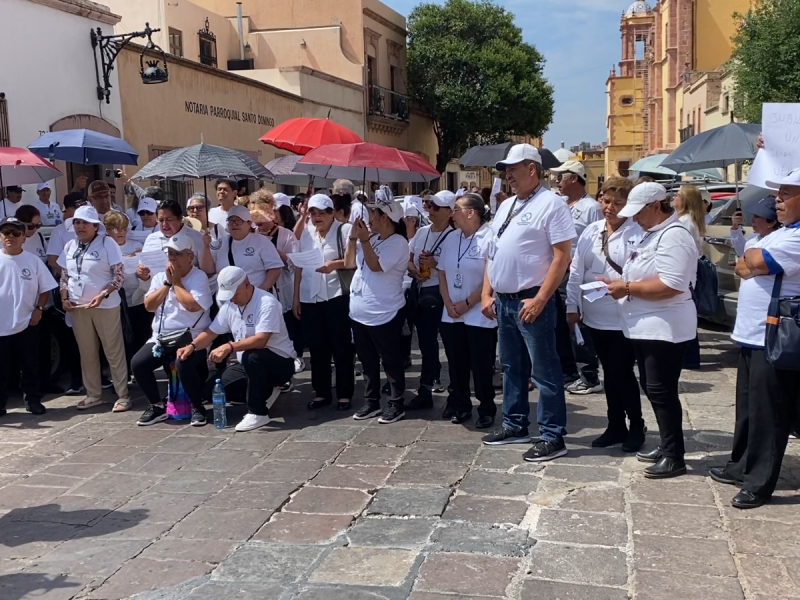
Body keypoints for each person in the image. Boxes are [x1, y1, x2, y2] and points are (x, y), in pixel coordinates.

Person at [480, 144, 576, 462]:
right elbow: (493, 251)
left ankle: (552, 435)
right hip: (505, 302)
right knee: (511, 368)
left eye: (513, 168)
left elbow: (562, 256)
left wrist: (541, 298)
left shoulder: (552, 205)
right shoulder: (507, 206)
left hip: (531, 300)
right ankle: (515, 424)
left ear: (532, 169)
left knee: (544, 370)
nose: (507, 174)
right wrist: (486, 292)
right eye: (506, 169)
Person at [713, 169, 800, 508]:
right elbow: (743, 264)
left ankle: (759, 482)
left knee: (769, 413)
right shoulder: (781, 234)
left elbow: (754, 259)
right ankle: (740, 465)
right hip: (752, 334)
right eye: (778, 195)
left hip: (775, 336)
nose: (777, 201)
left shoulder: (794, 238)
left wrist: (752, 261)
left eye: (786, 195)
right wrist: (751, 262)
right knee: (748, 408)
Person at [599, 182, 698, 479]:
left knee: (661, 390)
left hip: (664, 327)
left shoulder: (673, 236)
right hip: (646, 325)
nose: (635, 218)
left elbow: (672, 284)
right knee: (653, 389)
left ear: (656, 206)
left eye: (639, 212)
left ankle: (674, 455)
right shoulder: (652, 234)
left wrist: (627, 288)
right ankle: (668, 444)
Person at [566, 177, 645, 451]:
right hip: (595, 315)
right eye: (605, 200)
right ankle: (615, 424)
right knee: (608, 372)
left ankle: (636, 424)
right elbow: (576, 270)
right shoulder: (591, 230)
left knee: (621, 372)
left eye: (617, 203)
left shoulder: (637, 233)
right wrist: (572, 306)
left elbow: (639, 273)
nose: (609, 207)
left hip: (623, 316)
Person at [180, 266, 295, 432]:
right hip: (247, 364)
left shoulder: (267, 302)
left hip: (279, 362)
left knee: (252, 355)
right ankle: (265, 391)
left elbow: (261, 340)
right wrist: (191, 346)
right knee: (210, 392)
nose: (232, 299)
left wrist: (229, 346)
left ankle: (258, 412)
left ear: (247, 284)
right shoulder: (229, 307)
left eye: (235, 294)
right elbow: (211, 332)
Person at [132, 235, 213, 427]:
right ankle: (157, 406)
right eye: (170, 254)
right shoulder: (160, 277)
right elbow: (149, 306)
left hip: (192, 336)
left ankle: (197, 408)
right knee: (138, 364)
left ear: (190, 257)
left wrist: (176, 282)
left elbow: (193, 306)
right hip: (162, 338)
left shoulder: (198, 277)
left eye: (177, 254)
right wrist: (167, 284)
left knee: (182, 361)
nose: (172, 258)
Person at [57, 205, 131, 411]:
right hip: (78, 306)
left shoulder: (107, 243)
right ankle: (93, 394)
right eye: (77, 222)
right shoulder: (70, 245)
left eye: (85, 223)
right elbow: (65, 276)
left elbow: (119, 276)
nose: (80, 226)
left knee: (113, 351)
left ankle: (122, 394)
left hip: (105, 305)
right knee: (86, 352)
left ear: (95, 226)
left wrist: (103, 294)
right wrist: (64, 298)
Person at [345, 190, 409, 424]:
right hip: (360, 311)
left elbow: (376, 266)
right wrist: (354, 238)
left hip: (385, 312)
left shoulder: (399, 243)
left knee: (390, 361)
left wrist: (363, 240)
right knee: (367, 361)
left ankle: (396, 403)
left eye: (373, 213)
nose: (369, 217)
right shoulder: (370, 239)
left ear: (385, 218)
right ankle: (371, 401)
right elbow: (349, 263)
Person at [437, 193, 498, 428]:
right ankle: (461, 404)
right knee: (456, 362)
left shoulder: (489, 237)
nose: (452, 214)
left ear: (470, 212)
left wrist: (468, 303)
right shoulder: (452, 238)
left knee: (481, 363)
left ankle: (486, 408)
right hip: (451, 311)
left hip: (478, 312)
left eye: (456, 209)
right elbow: (441, 271)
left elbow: (490, 276)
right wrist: (448, 302)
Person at [294, 194, 355, 410]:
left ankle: (345, 393)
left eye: (322, 213)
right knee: (317, 348)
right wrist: (296, 298)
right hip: (310, 296)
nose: (317, 217)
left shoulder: (344, 230)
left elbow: (354, 260)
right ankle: (321, 392)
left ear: (332, 213)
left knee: (341, 346)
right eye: (313, 213)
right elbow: (299, 266)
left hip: (336, 294)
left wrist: (334, 264)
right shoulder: (307, 234)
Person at [551, 160, 604, 395]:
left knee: (578, 325)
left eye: (560, 176)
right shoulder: (561, 205)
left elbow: (600, 241)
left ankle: (589, 374)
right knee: (560, 325)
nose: (556, 181)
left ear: (573, 177)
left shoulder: (592, 207)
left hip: (579, 274)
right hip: (558, 274)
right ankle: (568, 371)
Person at [0, 217, 57, 416]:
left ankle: (33, 400)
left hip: (26, 322)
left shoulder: (32, 261)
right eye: (6, 233)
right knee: (1, 368)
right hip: (1, 325)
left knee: (30, 365)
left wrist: (39, 309)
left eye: (16, 233)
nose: (10, 237)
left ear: (24, 237)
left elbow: (46, 289)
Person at [407, 190, 455, 408]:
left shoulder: (454, 236)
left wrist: (436, 264)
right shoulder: (422, 232)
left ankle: (456, 391)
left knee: (452, 344)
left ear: (449, 212)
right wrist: (413, 269)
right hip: (421, 289)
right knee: (426, 343)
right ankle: (425, 388)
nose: (430, 210)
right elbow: (408, 258)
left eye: (436, 207)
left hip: (443, 292)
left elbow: (454, 268)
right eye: (428, 205)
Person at [251, 206, 303, 374]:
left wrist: (272, 250)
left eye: (262, 217)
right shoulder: (252, 235)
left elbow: (294, 265)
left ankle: (294, 357)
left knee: (288, 326)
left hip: (282, 289)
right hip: (260, 291)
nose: (258, 223)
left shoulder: (286, 235)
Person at [16, 205, 61, 393]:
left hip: (43, 303)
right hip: (22, 305)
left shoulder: (41, 238)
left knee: (43, 347)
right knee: (25, 352)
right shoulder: (13, 242)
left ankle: (45, 381)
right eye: (30, 226)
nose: (34, 230)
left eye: (38, 225)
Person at [104, 211, 149, 377]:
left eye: (124, 228)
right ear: (107, 229)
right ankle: (122, 373)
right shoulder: (104, 246)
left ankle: (139, 371)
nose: (121, 232)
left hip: (137, 298)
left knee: (140, 335)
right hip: (116, 301)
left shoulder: (136, 245)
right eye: (116, 228)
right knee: (120, 339)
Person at [672, 184, 707, 370]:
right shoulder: (687, 220)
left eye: (677, 195)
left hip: (686, 277)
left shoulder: (685, 222)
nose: (673, 198)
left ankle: (690, 358)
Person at [212, 204, 283, 293]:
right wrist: (206, 247)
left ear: (249, 223)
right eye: (231, 220)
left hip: (255, 296)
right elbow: (209, 270)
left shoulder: (261, 242)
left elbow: (275, 268)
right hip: (227, 298)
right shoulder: (220, 243)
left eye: (239, 221)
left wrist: (263, 289)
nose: (234, 224)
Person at [138, 199, 215, 279]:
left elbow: (208, 272)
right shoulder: (151, 238)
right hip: (157, 287)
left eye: (169, 220)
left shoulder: (196, 237)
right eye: (161, 220)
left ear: (180, 218)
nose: (164, 224)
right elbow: (143, 267)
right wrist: (142, 273)